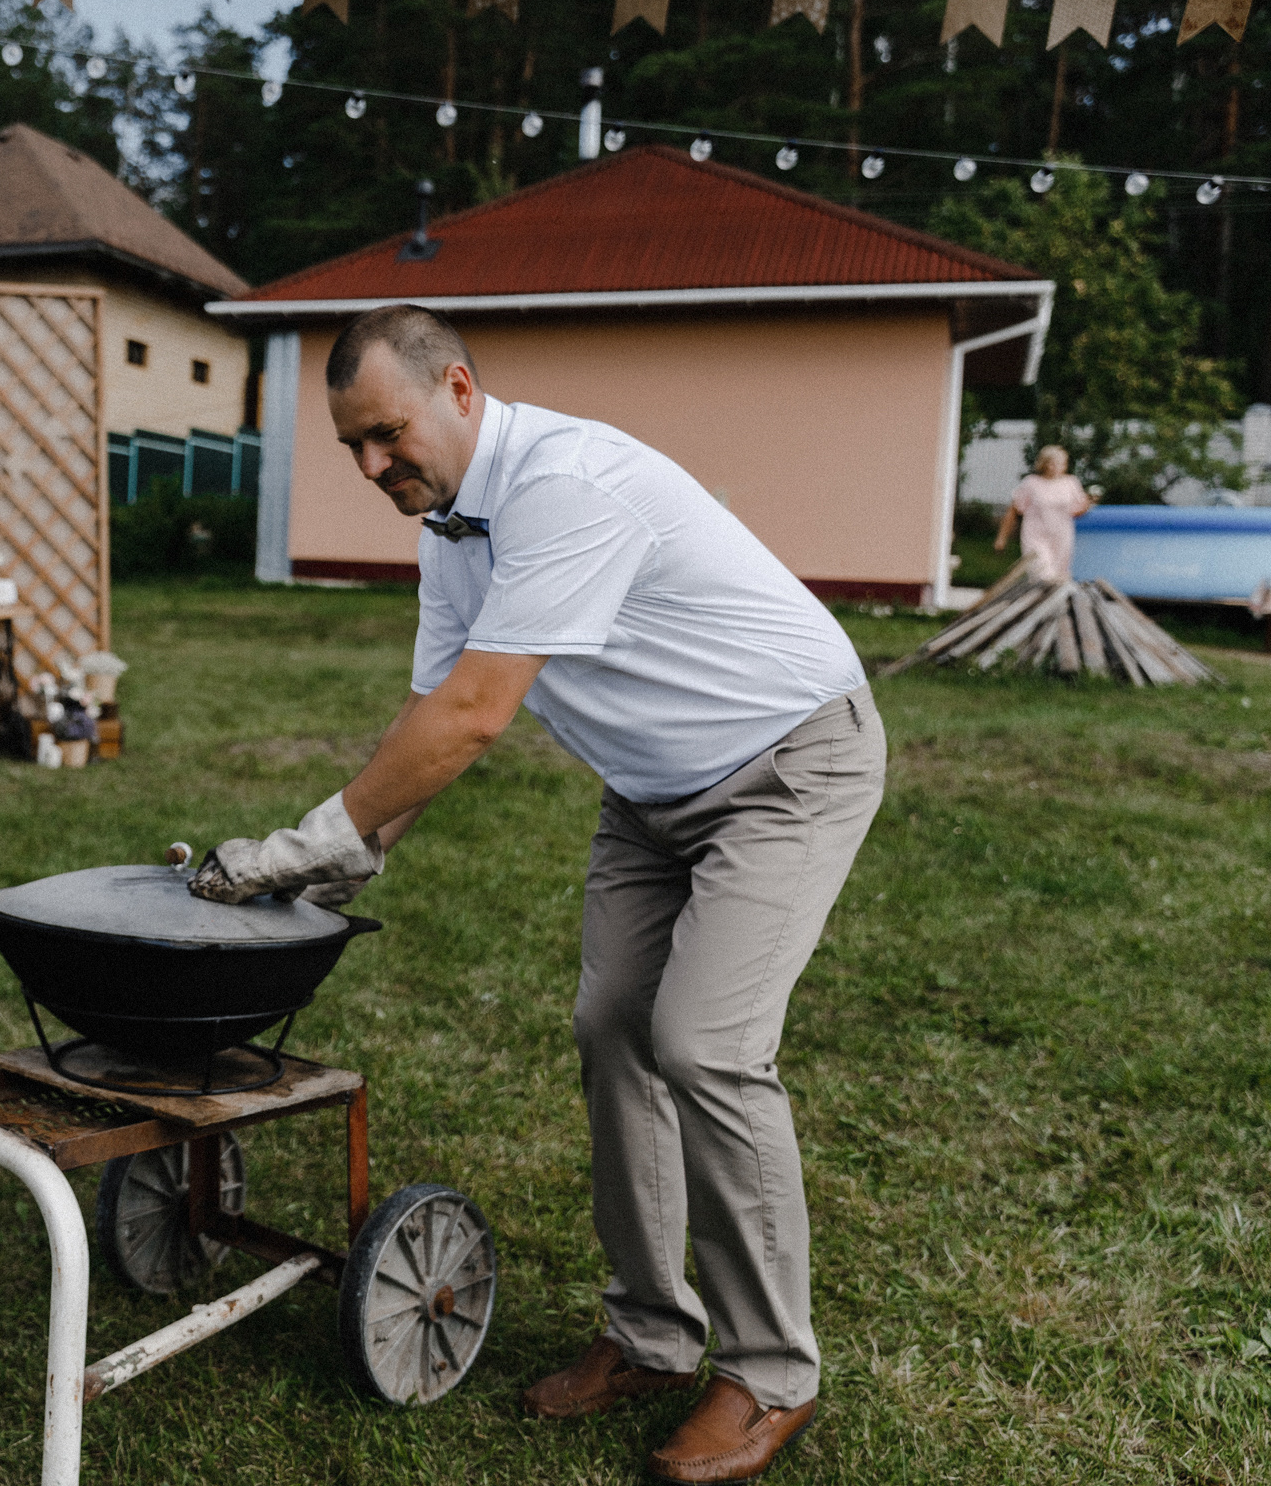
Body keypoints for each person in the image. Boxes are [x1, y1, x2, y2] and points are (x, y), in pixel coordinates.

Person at [191, 306, 883, 1485]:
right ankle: (654, 1335)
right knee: (610, 1024)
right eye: (352, 445)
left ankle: (771, 1372)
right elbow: (427, 726)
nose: (371, 467)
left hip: (787, 761)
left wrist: (305, 837)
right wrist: (341, 860)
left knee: (705, 1044)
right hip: (654, 791)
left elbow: (477, 716)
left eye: (386, 434)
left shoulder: (566, 484)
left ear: (458, 388)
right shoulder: (452, 535)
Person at [994, 443, 1095, 583]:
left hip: (1062, 536)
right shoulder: (1031, 483)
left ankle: (1053, 605)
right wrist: (1002, 538)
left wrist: (1087, 504)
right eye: (1052, 464)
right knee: (1041, 573)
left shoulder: (1070, 482)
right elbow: (1014, 510)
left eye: (1061, 464)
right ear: (1044, 464)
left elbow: (1077, 511)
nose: (1056, 468)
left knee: (1059, 577)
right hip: (1036, 535)